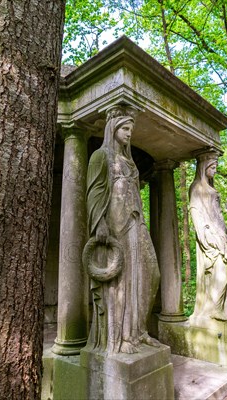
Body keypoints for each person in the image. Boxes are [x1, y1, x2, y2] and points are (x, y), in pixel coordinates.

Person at [85, 108, 160, 354]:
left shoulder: (129, 161)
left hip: (136, 221)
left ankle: (139, 331)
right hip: (115, 223)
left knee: (149, 273)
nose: (129, 134)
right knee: (123, 280)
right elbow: (94, 192)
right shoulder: (101, 156)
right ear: (113, 129)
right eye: (125, 129)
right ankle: (124, 337)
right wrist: (100, 223)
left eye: (131, 130)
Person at [189, 153, 227, 321]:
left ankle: (220, 307)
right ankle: (214, 308)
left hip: (219, 233)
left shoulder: (210, 188)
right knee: (223, 266)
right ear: (203, 168)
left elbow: (218, 213)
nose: (215, 171)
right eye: (212, 167)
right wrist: (206, 235)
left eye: (215, 167)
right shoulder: (196, 187)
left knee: (226, 266)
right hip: (209, 234)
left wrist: (224, 230)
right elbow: (195, 212)